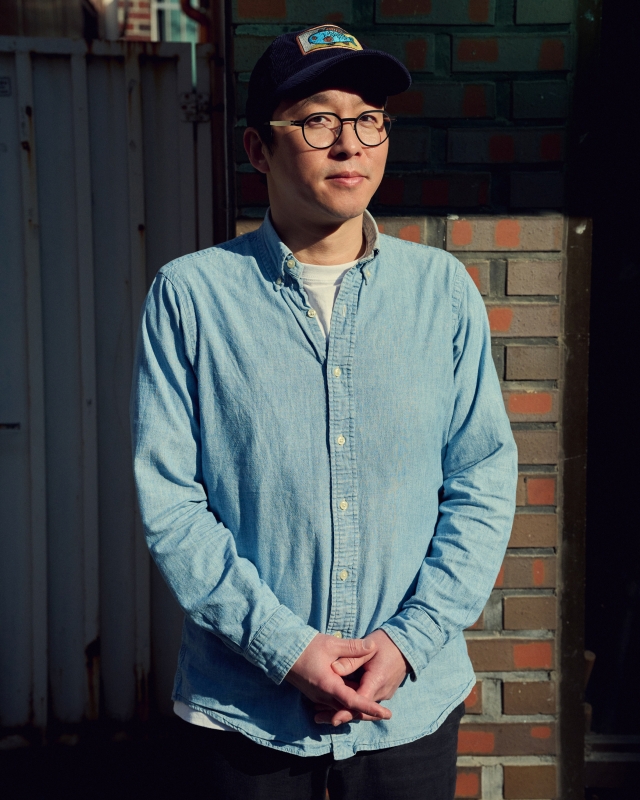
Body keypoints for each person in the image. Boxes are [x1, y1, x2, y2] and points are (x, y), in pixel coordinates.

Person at [131, 23, 518, 800]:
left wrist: (406, 642)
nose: (350, 144)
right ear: (258, 148)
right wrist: (284, 648)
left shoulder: (441, 292)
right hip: (246, 710)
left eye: (369, 119)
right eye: (318, 121)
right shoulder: (192, 297)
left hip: (407, 704)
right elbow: (171, 503)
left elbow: (482, 480)